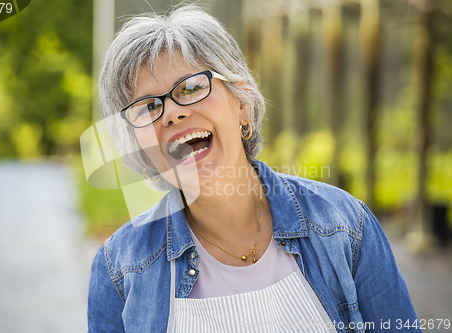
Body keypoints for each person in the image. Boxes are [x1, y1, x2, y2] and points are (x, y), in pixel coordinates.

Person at [87, 5, 421, 333]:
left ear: (241, 102)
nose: (172, 113)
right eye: (148, 107)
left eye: (191, 87)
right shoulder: (118, 267)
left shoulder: (346, 225)